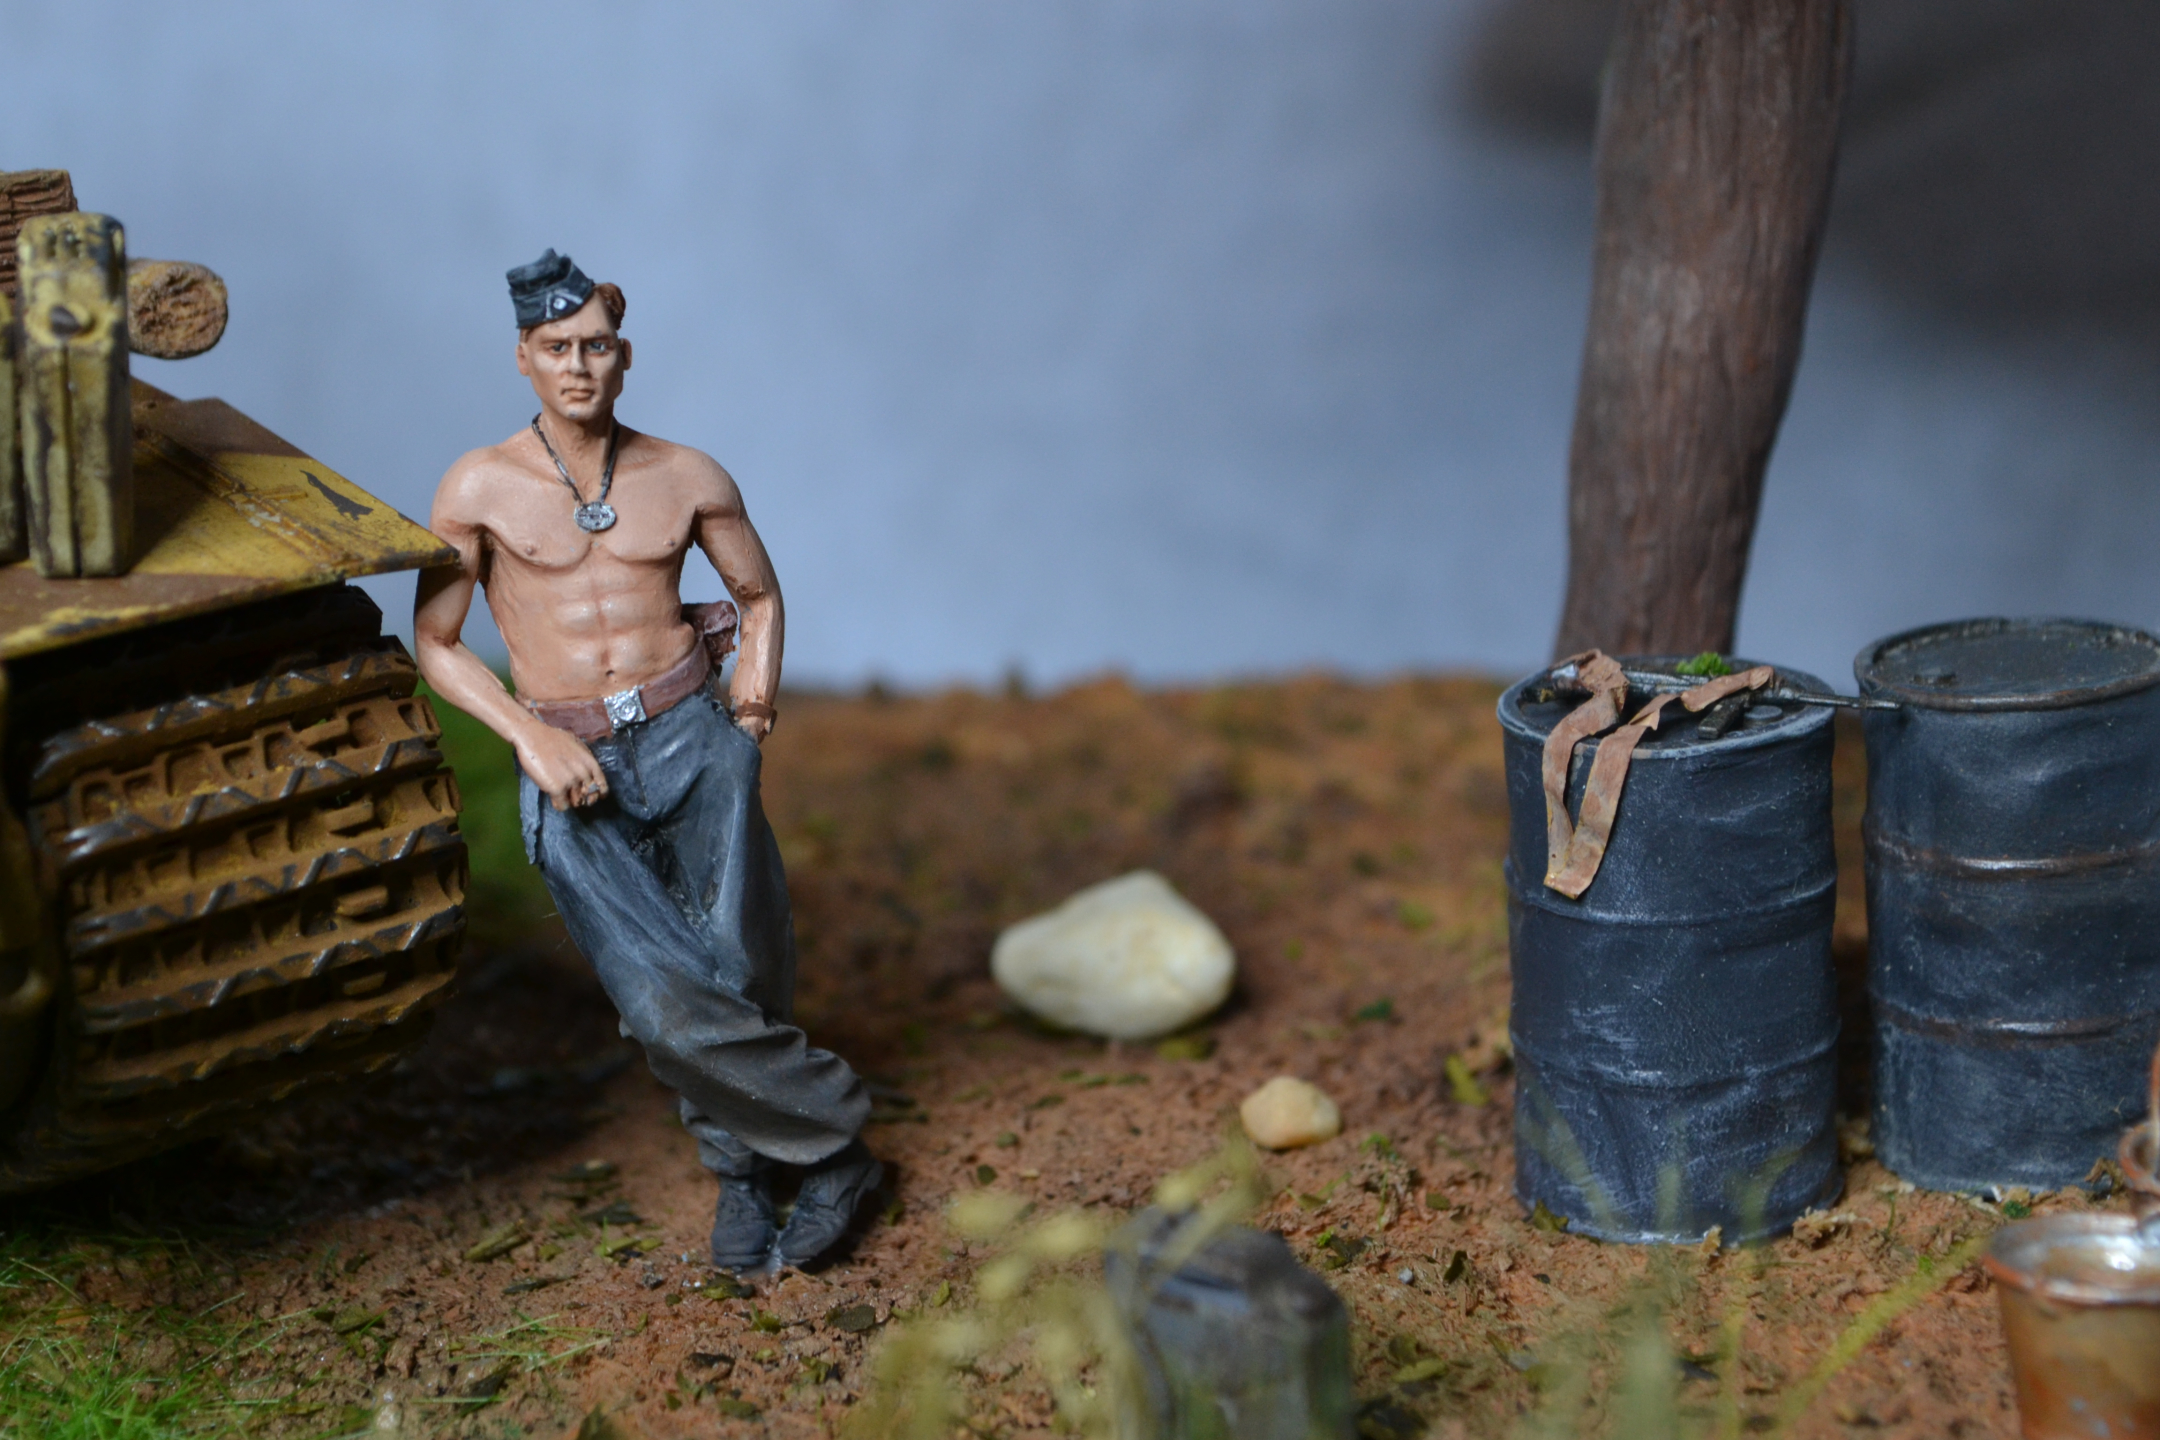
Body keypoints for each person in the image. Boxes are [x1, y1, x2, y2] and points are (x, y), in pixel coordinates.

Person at [414, 249, 877, 1272]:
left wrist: (749, 711)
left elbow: (759, 597)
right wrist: (530, 736)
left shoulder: (688, 475)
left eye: (596, 346)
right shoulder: (478, 487)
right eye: (556, 348)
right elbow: (436, 642)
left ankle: (744, 1172)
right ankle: (841, 1141)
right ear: (524, 357)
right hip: (568, 758)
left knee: (743, 966)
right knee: (661, 1002)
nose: (578, 366)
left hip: (691, 737)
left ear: (624, 357)